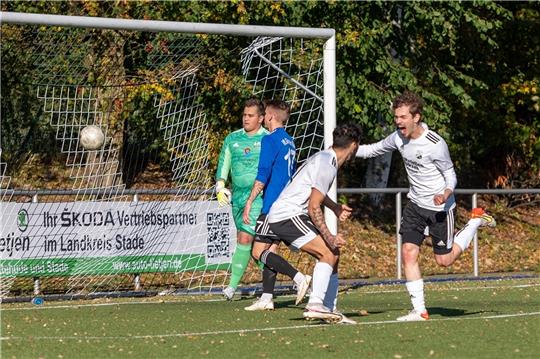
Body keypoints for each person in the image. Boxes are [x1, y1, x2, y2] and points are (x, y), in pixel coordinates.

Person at [355, 91, 496, 321]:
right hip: (415, 205)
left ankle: (475, 221)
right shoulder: (398, 138)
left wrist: (445, 193)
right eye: (396, 117)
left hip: (440, 209)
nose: (398, 121)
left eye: (402, 117)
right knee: (408, 252)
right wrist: (343, 150)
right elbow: (374, 149)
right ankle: (420, 311)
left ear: (416, 117)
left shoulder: (435, 144)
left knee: (444, 260)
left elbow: (451, 175)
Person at [256, 123, 361, 322]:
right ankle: (315, 305)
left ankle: (328, 308)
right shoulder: (327, 164)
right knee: (328, 251)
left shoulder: (325, 158)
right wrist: (329, 236)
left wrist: (335, 207)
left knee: (333, 255)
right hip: (287, 214)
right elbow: (314, 207)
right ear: (354, 146)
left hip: (288, 213)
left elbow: (315, 194)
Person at [240, 99, 311, 311]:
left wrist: (250, 201)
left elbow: (263, 174)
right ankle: (267, 298)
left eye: (264, 117)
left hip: (272, 205)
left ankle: (299, 277)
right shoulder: (290, 140)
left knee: (257, 251)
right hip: (287, 202)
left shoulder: (269, 140)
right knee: (270, 250)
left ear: (269, 117)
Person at [215, 98, 268, 300]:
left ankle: (231, 287)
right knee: (252, 247)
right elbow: (224, 162)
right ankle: (292, 277)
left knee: (245, 238)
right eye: (244, 115)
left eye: (251, 115)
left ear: (261, 118)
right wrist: (220, 185)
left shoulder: (267, 139)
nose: (246, 119)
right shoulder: (232, 139)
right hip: (237, 198)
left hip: (257, 198)